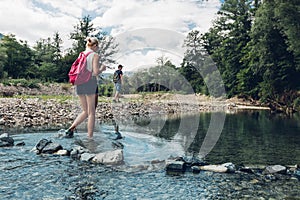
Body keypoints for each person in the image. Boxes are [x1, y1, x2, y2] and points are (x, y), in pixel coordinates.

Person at [65, 37, 106, 139]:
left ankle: (71, 129)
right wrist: (102, 68)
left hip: (80, 83)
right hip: (90, 83)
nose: (98, 48)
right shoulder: (95, 55)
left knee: (85, 111)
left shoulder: (81, 54)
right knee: (91, 112)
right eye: (97, 46)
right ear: (95, 45)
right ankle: (90, 138)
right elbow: (95, 72)